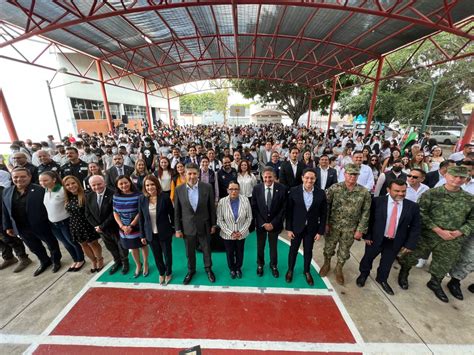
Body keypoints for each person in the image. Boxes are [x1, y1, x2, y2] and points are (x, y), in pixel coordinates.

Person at [398, 166, 474, 303]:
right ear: (446, 176)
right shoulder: (432, 194)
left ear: (465, 179)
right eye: (454, 176)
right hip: (428, 234)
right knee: (410, 256)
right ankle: (404, 273)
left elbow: (472, 220)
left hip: (452, 239)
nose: (457, 179)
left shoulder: (470, 199)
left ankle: (435, 282)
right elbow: (421, 213)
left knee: (443, 263)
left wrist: (459, 232)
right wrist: (438, 230)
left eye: (461, 177)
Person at [357, 180, 421, 295]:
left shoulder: (412, 207)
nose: (401, 194)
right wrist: (367, 235)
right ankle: (363, 274)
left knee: (387, 263)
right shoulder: (377, 201)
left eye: (403, 191)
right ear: (388, 190)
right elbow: (369, 219)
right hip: (375, 239)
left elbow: (415, 227)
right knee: (367, 258)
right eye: (397, 191)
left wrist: (409, 244)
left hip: (395, 241)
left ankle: (382, 279)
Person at [2, 168, 62, 276]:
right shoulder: (7, 191)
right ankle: (44, 261)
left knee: (51, 244)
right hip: (21, 228)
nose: (19, 179)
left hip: (41, 225)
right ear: (12, 178)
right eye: (15, 177)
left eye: (23, 176)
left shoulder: (40, 190)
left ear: (29, 177)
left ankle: (56, 261)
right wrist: (8, 227)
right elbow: (5, 210)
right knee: (34, 247)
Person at [321, 164, 372, 285]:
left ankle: (339, 269)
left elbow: (366, 212)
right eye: (350, 174)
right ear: (345, 174)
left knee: (344, 251)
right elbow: (326, 207)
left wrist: (360, 230)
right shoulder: (335, 188)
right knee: (328, 248)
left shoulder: (363, 192)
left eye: (355, 174)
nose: (353, 177)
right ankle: (326, 264)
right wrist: (325, 223)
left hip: (350, 228)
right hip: (333, 226)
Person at [174, 163, 217, 285]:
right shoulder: (179, 190)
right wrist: (177, 229)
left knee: (206, 249)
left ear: (198, 174)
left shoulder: (207, 187)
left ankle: (208, 269)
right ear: (185, 174)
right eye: (189, 173)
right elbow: (177, 211)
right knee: (190, 251)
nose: (192, 176)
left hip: (204, 225)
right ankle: (191, 270)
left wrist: (213, 225)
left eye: (194, 173)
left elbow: (211, 208)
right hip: (187, 226)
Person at [285, 168, 327, 286]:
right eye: (307, 177)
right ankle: (290, 270)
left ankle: (307, 271)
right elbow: (289, 212)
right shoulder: (293, 191)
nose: (309, 180)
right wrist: (288, 228)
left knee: (308, 251)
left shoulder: (320, 193)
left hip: (311, 229)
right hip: (296, 228)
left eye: (312, 178)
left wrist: (320, 231)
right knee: (293, 250)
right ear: (302, 178)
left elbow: (324, 213)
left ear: (315, 179)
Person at [40, 172, 86, 272]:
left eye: (45, 180)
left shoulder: (62, 190)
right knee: (65, 244)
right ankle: (75, 259)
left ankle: (81, 259)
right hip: (53, 224)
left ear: (54, 180)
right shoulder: (46, 190)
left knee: (72, 242)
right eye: (40, 181)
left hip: (65, 222)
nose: (42, 183)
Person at [85, 175, 129, 275]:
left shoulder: (114, 194)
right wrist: (97, 226)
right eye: (93, 185)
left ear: (104, 182)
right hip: (101, 230)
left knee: (121, 247)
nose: (97, 187)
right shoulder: (89, 196)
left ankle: (125, 263)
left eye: (99, 184)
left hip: (114, 227)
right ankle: (117, 262)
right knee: (110, 247)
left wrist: (102, 226)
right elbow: (87, 213)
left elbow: (114, 213)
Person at [62, 175, 104, 273]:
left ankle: (100, 259)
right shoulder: (67, 197)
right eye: (67, 185)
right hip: (75, 225)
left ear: (78, 183)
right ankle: (93, 261)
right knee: (83, 245)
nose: (71, 186)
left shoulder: (87, 194)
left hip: (87, 224)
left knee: (93, 243)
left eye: (73, 183)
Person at [252, 167, 287, 278]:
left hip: (274, 225)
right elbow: (254, 207)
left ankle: (273, 265)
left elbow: (283, 208)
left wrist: (273, 223)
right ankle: (260, 264)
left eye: (270, 177)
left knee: (273, 246)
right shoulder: (257, 188)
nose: (268, 179)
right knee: (260, 246)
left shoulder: (282, 188)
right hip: (261, 224)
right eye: (265, 177)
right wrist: (263, 223)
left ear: (274, 177)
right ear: (262, 177)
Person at [139, 175, 174, 285]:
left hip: (164, 232)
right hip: (150, 234)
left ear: (157, 185)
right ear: (145, 187)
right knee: (157, 255)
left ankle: (168, 272)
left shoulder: (164, 197)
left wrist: (174, 229)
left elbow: (172, 215)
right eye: (147, 185)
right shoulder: (142, 199)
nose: (150, 187)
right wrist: (142, 235)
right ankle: (161, 272)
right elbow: (141, 218)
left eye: (152, 184)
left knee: (167, 254)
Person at [113, 175, 148, 278]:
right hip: (124, 227)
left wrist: (131, 225)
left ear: (130, 182)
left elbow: (140, 212)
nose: (124, 185)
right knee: (132, 247)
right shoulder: (116, 196)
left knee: (143, 245)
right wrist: (122, 226)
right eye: (121, 184)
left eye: (126, 182)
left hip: (138, 225)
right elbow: (115, 212)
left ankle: (145, 263)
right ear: (117, 185)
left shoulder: (139, 195)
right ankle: (138, 265)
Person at [217, 181, 252, 279]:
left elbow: (249, 218)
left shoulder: (245, 200)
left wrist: (241, 232)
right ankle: (232, 269)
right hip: (227, 234)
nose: (233, 191)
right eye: (231, 189)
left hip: (242, 233)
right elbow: (219, 219)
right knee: (229, 252)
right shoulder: (222, 202)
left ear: (239, 190)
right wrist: (230, 233)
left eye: (236, 189)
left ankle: (238, 268)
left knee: (240, 251)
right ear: (227, 190)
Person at [0, 184, 32, 273]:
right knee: (1, 242)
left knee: (9, 239)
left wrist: (6, 223)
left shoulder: (2, 190)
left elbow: (5, 208)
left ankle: (23, 258)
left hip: (2, 220)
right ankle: (9, 257)